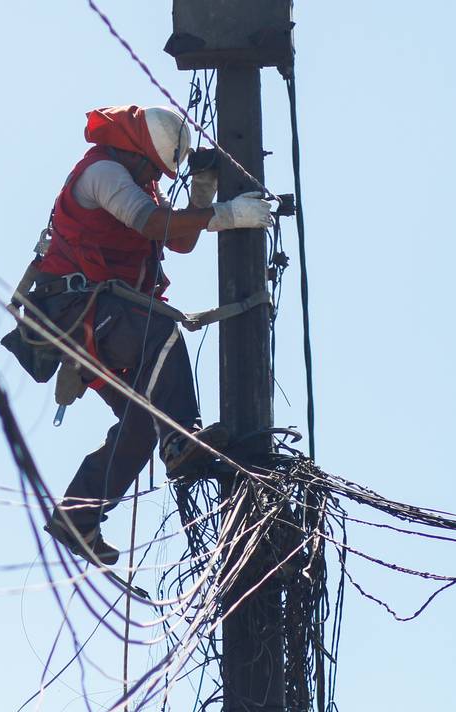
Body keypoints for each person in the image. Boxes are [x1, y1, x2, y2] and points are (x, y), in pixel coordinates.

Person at [22, 105, 274, 565]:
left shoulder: (140, 183)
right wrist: (229, 214)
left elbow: (178, 239)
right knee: (161, 332)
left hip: (103, 322)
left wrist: (203, 191)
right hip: (81, 314)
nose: (153, 176)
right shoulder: (103, 173)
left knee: (141, 423)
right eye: (152, 167)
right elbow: (154, 224)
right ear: (133, 149)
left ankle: (77, 517)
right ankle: (181, 439)